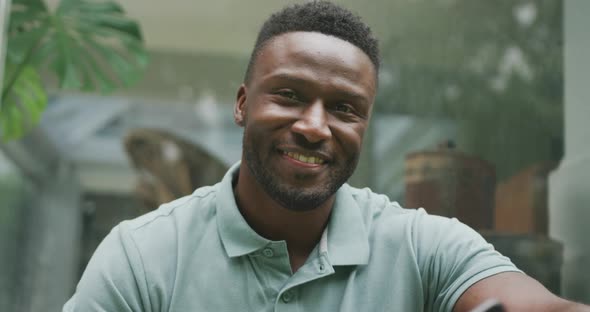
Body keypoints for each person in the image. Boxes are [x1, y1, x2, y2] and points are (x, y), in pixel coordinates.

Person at [64, 1, 589, 311]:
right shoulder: (143, 255)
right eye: (289, 95)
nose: (315, 127)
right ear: (243, 103)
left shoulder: (421, 245)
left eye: (344, 108)